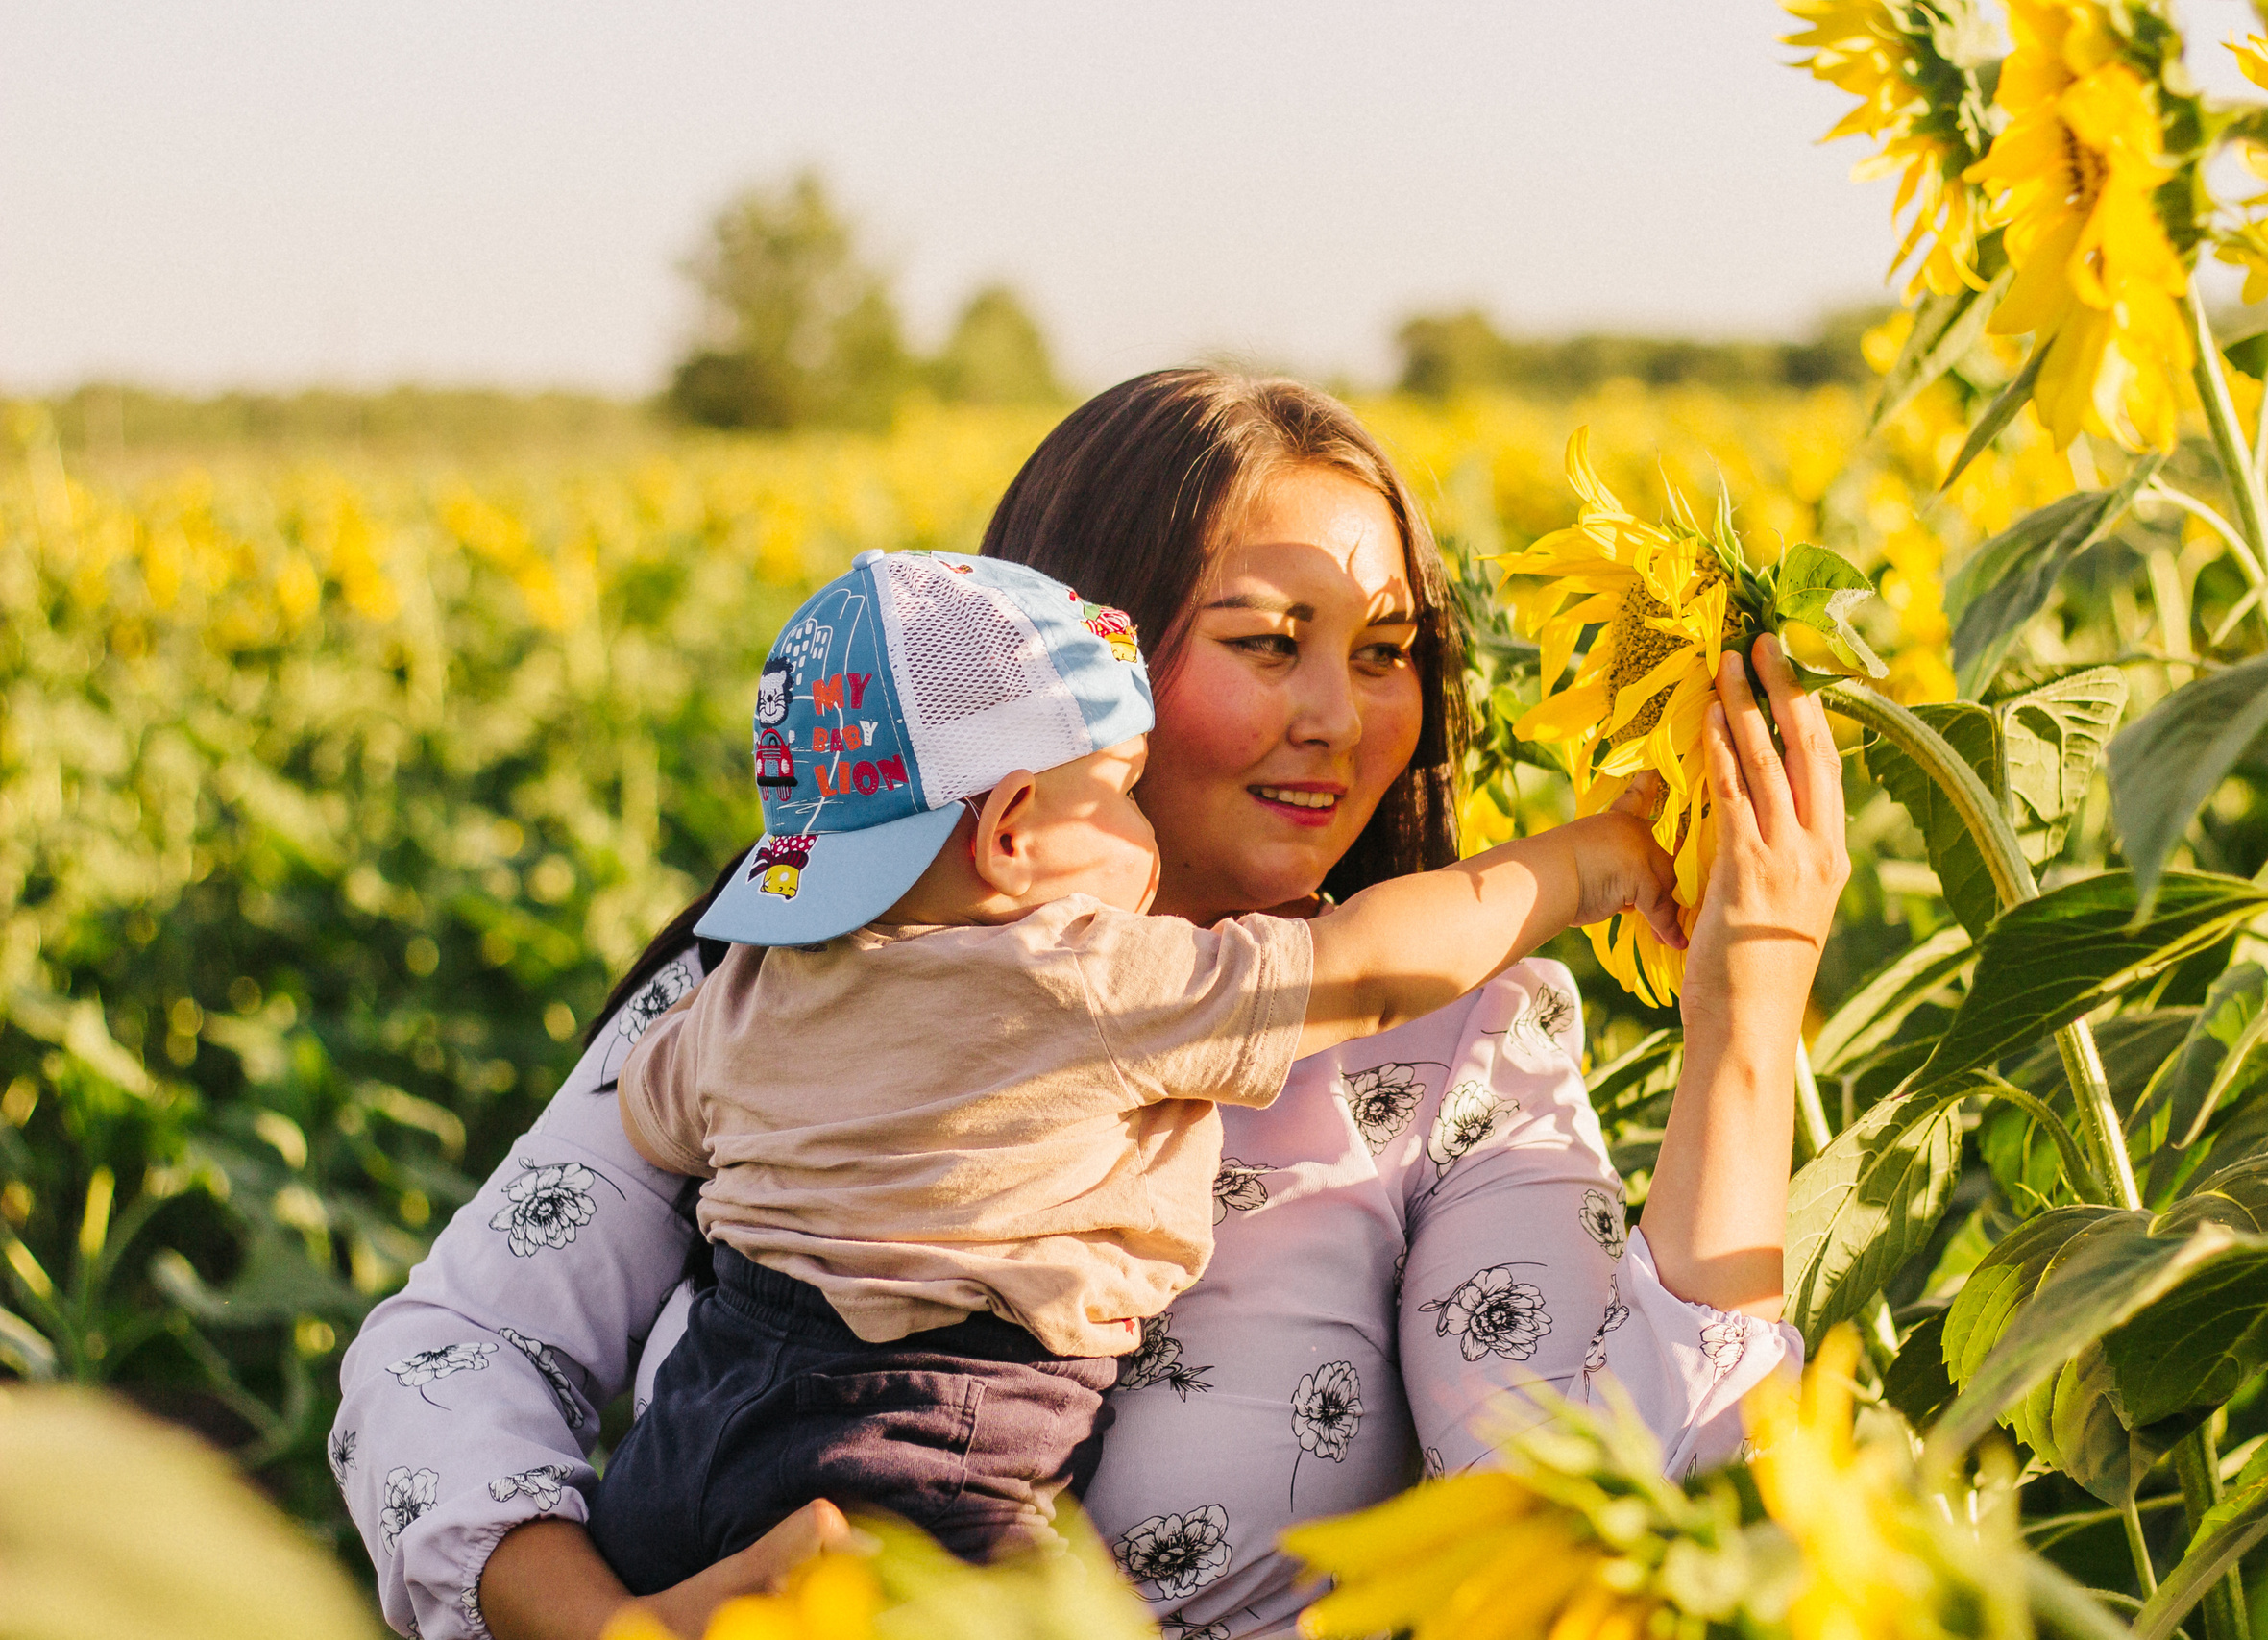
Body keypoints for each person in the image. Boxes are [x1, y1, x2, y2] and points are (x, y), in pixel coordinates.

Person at [334, 370, 1849, 1640]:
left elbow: (1598, 1514)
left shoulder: (1460, 1045)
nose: (1339, 712)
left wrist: (1753, 999)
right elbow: (446, 1356)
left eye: (1387, 653)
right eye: (1269, 642)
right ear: (1082, 674)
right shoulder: (790, 968)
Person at [589, 546, 1671, 1588]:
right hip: (929, 1446)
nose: (1137, 824)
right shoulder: (1086, 976)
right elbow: (1362, 968)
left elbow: (657, 1117)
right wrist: (1581, 868)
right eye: (1119, 790)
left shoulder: (746, 986)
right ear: (1012, 831)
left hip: (688, 1439)